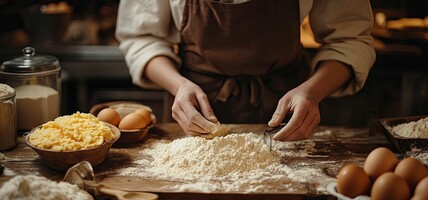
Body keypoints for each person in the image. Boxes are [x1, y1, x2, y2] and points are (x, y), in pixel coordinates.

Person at [115, 0, 375, 141]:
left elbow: (349, 38)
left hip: (289, 114)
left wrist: (312, 92)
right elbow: (141, 38)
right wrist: (178, 86)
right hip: (193, 113)